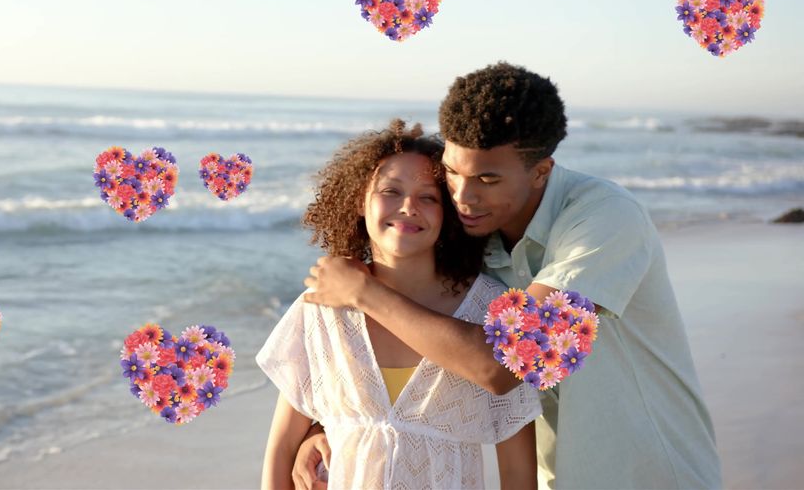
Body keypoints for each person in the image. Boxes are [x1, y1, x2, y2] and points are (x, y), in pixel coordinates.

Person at [294, 62, 722, 489]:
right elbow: (425, 327)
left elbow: (502, 364)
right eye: (453, 172)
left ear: (541, 171)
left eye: (487, 178)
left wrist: (363, 293)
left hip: (650, 473)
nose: (463, 196)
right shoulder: (474, 232)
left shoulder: (605, 220)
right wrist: (328, 421)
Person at [256, 119, 541, 490]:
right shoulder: (322, 308)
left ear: (449, 214)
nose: (408, 207)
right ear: (361, 201)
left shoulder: (490, 311)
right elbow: (281, 450)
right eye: (391, 191)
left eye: (428, 197)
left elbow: (518, 474)